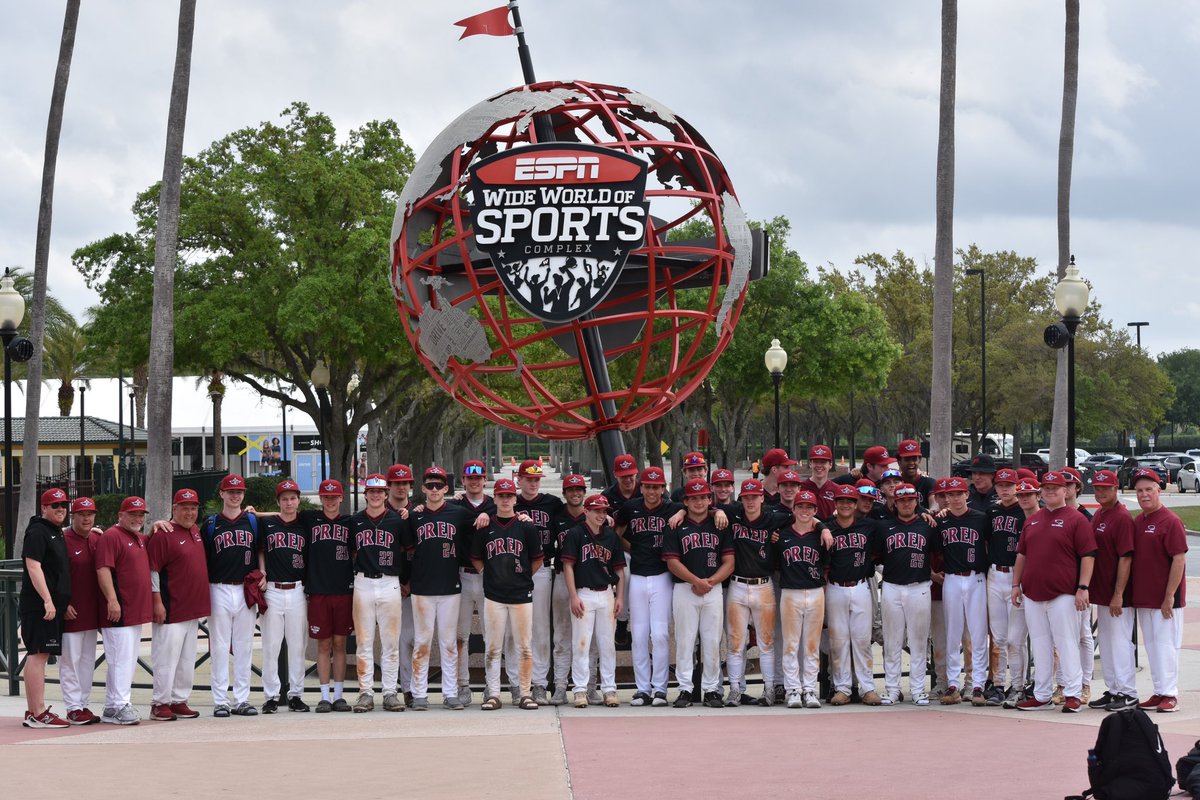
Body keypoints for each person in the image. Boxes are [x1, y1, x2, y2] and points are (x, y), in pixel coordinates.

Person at [1012, 471, 1096, 712]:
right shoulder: (1033, 520)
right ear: (1041, 492)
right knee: (1040, 643)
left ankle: (1072, 693)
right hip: (1033, 593)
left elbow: (1088, 555)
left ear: (1065, 491)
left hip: (1063, 592)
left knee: (1067, 642)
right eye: (1046, 488)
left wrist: (1083, 587)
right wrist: (1015, 584)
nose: (1050, 492)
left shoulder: (1075, 518)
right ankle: (1041, 694)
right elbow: (1022, 554)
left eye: (1055, 488)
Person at [404, 466, 485, 710]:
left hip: (450, 586)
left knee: (449, 643)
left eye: (439, 485)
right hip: (422, 587)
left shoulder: (458, 513)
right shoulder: (415, 516)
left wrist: (487, 516)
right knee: (422, 642)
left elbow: (485, 517)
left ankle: (450, 693)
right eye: (430, 485)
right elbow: (406, 548)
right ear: (423, 488)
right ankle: (419, 693)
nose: (435, 489)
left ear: (447, 488)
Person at [471, 478, 543, 710]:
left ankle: (524, 693)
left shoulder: (526, 526)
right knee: (493, 647)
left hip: (521, 594)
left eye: (509, 496)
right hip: (494, 595)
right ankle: (493, 694)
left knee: (523, 646)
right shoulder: (486, 526)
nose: (505, 500)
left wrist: (523, 578)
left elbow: (538, 558)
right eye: (501, 496)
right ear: (495, 498)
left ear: (515, 498)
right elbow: (475, 556)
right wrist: (487, 574)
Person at [663, 480, 734, 708]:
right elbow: (672, 561)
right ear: (686, 501)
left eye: (703, 497)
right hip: (685, 588)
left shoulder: (720, 524)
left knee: (713, 641)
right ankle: (685, 688)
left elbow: (729, 561)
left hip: (712, 588)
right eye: (694, 498)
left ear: (709, 500)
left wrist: (710, 581)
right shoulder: (676, 525)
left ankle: (712, 689)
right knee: (685, 640)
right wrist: (695, 581)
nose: (699, 501)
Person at [614, 465, 679, 707]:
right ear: (642, 487)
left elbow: (696, 511)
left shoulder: (673, 508)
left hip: (662, 576)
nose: (652, 491)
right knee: (639, 635)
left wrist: (682, 514)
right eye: (648, 486)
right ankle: (642, 689)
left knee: (660, 634)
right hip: (639, 576)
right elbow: (615, 534)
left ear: (663, 488)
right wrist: (634, 549)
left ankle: (660, 689)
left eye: (657, 486)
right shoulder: (631, 508)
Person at [724, 478, 791, 706]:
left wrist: (822, 528)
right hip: (737, 585)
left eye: (754, 496)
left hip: (764, 585)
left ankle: (770, 689)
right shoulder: (734, 514)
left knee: (767, 642)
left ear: (763, 498)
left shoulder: (774, 517)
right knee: (735, 642)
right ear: (741, 499)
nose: (750, 501)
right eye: (746, 497)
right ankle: (734, 689)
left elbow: (804, 517)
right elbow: (705, 508)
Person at [202, 474, 263, 717]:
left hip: (245, 588)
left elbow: (260, 548)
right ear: (222, 494)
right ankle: (220, 700)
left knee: (244, 646)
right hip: (218, 587)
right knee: (218, 646)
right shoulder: (210, 524)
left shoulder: (252, 521)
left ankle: (241, 699)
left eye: (239, 491)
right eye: (231, 491)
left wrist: (263, 573)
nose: (235, 495)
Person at [147, 488, 211, 721]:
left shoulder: (195, 530)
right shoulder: (163, 533)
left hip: (192, 609)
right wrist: (157, 601)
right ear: (175, 509)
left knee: (186, 660)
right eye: (185, 508)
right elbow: (153, 570)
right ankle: (160, 702)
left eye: (193, 508)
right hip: (171, 607)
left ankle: (178, 699)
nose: (190, 512)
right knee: (165, 659)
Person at [1130, 468, 1188, 713]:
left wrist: (1169, 596)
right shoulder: (1139, 521)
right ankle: (1159, 690)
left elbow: (1178, 559)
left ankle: (1170, 694)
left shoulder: (1170, 521)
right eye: (1140, 491)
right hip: (1145, 597)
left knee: (1166, 646)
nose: (1144, 495)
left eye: (1149, 490)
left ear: (1159, 490)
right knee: (1152, 646)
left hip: (1165, 600)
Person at [560, 494, 626, 708]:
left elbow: (619, 570)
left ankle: (609, 689)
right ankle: (580, 690)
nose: (601, 514)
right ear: (586, 511)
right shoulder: (575, 533)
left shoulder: (611, 537)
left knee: (607, 645)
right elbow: (568, 566)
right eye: (596, 510)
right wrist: (573, 595)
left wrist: (620, 596)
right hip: (584, 593)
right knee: (581, 644)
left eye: (604, 511)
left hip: (606, 593)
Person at [874, 483, 936, 706]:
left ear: (916, 501)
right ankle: (892, 689)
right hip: (892, 586)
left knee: (919, 641)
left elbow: (937, 553)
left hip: (919, 586)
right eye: (902, 500)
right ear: (896, 503)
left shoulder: (928, 525)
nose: (906, 504)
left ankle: (918, 689)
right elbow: (876, 556)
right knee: (892, 641)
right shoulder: (884, 527)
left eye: (910, 500)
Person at [350, 474, 407, 712]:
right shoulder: (355, 521)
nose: (375, 495)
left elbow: (407, 551)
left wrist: (406, 581)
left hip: (390, 582)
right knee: (364, 642)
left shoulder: (397, 521)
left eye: (379, 491)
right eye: (371, 492)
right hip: (363, 582)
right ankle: (365, 692)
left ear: (386, 494)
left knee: (390, 643)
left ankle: (390, 692)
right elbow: (351, 552)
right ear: (365, 495)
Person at [18, 488, 73, 728]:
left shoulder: (55, 531)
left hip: (49, 606)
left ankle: (33, 712)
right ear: (44, 508)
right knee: (38, 656)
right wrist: (48, 601)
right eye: (55, 506)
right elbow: (33, 566)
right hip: (40, 606)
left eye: (63, 505)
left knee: (37, 655)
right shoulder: (38, 531)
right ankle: (39, 713)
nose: (60, 509)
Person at [96, 496, 153, 725]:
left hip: (134, 610)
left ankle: (112, 706)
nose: (138, 518)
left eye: (141, 515)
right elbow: (103, 569)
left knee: (126, 659)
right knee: (120, 659)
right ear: (121, 515)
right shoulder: (112, 535)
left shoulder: (139, 538)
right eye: (133, 514)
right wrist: (112, 600)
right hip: (119, 610)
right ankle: (120, 705)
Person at [934, 475, 990, 706]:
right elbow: (933, 550)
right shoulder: (940, 521)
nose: (955, 498)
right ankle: (953, 685)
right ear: (945, 498)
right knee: (952, 633)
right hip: (952, 580)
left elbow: (989, 546)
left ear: (967, 494)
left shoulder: (981, 518)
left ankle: (978, 685)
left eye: (959, 493)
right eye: (950, 494)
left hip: (976, 578)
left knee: (978, 634)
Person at [824, 484, 882, 705]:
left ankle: (867, 688)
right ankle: (843, 688)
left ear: (855, 504)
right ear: (835, 504)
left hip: (860, 586)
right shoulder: (828, 527)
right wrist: (821, 527)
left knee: (861, 639)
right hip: (835, 587)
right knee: (838, 641)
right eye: (841, 501)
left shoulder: (869, 526)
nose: (845, 505)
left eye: (849, 501)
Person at [1085, 469, 1137, 712]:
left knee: (1120, 642)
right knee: (1106, 642)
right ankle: (1114, 689)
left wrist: (1118, 594)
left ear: (1116, 489)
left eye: (1106, 488)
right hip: (1101, 592)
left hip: (1118, 595)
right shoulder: (1100, 515)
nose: (1100, 492)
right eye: (1097, 488)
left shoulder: (1122, 517)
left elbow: (1126, 557)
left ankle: (1128, 693)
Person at [512, 459, 564, 704]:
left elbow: (574, 517)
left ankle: (540, 684)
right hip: (512, 571)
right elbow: (484, 511)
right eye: (528, 479)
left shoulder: (551, 504)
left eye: (536, 479)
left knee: (541, 629)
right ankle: (517, 684)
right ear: (518, 480)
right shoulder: (508, 500)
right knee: (515, 631)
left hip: (542, 569)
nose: (533, 483)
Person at [258, 479, 311, 713]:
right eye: (284, 498)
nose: (289, 502)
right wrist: (261, 570)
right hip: (272, 589)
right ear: (278, 501)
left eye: (292, 498)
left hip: (298, 590)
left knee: (298, 646)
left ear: (298, 500)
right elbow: (260, 549)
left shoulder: (306, 523)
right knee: (271, 645)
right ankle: (271, 696)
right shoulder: (268, 524)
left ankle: (296, 694)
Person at [775, 489, 828, 709]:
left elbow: (826, 564)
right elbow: (776, 564)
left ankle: (810, 689)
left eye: (809, 507)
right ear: (794, 509)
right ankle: (793, 689)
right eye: (800, 506)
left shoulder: (821, 535)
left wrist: (822, 528)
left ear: (815, 510)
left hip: (815, 591)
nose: (804, 510)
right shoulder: (782, 534)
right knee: (791, 644)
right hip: (790, 592)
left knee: (811, 645)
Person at [306, 479, 355, 712]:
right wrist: (254, 513)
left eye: (334, 496)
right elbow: (283, 513)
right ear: (320, 498)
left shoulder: (350, 522)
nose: (330, 500)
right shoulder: (310, 520)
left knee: (340, 643)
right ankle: (324, 696)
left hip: (344, 590)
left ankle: (338, 695)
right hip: (318, 591)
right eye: (326, 496)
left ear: (341, 498)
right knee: (323, 645)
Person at [453, 460, 496, 707]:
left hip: (488, 575)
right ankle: (463, 686)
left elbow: (511, 509)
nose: (474, 481)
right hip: (462, 574)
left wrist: (486, 513)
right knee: (461, 635)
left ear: (484, 479)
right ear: (463, 480)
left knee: (492, 634)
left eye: (478, 477)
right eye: (470, 477)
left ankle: (492, 686)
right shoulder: (456, 504)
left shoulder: (493, 504)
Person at [985, 469, 1029, 707]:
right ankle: (999, 685)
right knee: (999, 637)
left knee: (1015, 639)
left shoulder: (1025, 510)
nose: (1004, 489)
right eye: (1000, 485)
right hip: (994, 574)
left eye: (1009, 485)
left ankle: (1019, 686)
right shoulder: (991, 511)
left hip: (1016, 576)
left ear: (1016, 486)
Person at [1053, 466, 1095, 706]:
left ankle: (1084, 684)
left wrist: (1085, 586)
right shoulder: (1052, 513)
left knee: (1082, 635)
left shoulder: (1085, 517)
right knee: (1060, 638)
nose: (1066, 488)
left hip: (1078, 585)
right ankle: (1063, 684)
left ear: (1077, 487)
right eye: (1062, 484)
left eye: (1070, 484)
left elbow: (1090, 554)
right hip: (1058, 585)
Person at [59, 496, 102, 725]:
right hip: (71, 612)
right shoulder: (63, 539)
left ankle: (83, 704)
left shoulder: (97, 538)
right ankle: (73, 707)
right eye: (81, 514)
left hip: (93, 611)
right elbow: (53, 575)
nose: (86, 518)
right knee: (70, 661)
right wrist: (62, 604)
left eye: (90, 514)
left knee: (87, 660)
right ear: (73, 516)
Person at [549, 473, 590, 705]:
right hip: (562, 580)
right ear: (564, 494)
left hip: (589, 583)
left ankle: (588, 686)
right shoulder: (557, 517)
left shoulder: (595, 515)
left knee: (587, 640)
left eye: (579, 489)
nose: (575, 493)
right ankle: (560, 687)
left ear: (584, 493)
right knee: (562, 637)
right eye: (571, 490)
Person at [385, 464, 417, 705]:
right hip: (385, 583)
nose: (402, 486)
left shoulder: (418, 511)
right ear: (389, 485)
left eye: (405, 482)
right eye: (397, 482)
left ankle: (409, 687)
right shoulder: (378, 510)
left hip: (412, 584)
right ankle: (389, 689)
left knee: (409, 638)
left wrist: (409, 582)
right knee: (389, 640)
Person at [799, 444, 837, 519]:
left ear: (830, 464)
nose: (819, 465)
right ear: (810, 464)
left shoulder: (837, 490)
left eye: (823, 462)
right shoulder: (800, 488)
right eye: (816, 462)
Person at [896, 439, 936, 506]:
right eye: (907, 460)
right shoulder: (895, 484)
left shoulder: (929, 483)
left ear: (919, 460)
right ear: (899, 462)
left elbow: (934, 505)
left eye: (914, 459)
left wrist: (930, 511)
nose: (911, 463)